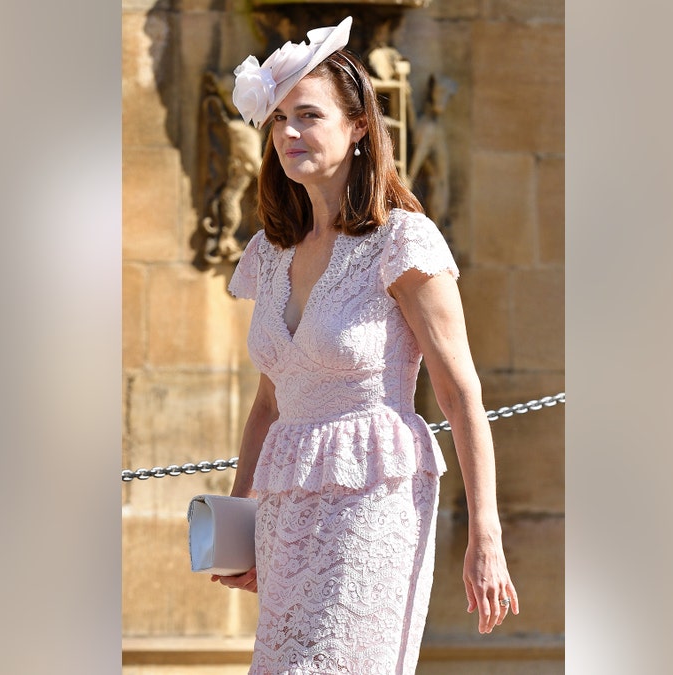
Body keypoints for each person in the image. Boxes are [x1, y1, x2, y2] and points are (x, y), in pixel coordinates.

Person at [211, 17, 518, 674]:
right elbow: (269, 400)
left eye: (309, 116)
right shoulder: (268, 255)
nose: (289, 133)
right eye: (281, 118)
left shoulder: (401, 243)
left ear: (357, 129)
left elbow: (462, 393)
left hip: (374, 497)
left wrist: (485, 532)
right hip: (286, 507)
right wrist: (235, 528)